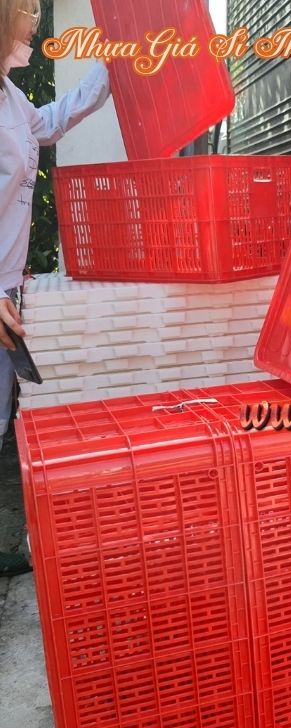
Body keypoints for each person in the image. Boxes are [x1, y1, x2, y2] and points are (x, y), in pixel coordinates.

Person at [0, 0, 111, 576]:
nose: (36, 21)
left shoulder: (9, 97)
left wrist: (110, 68)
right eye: (28, 11)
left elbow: (51, 120)